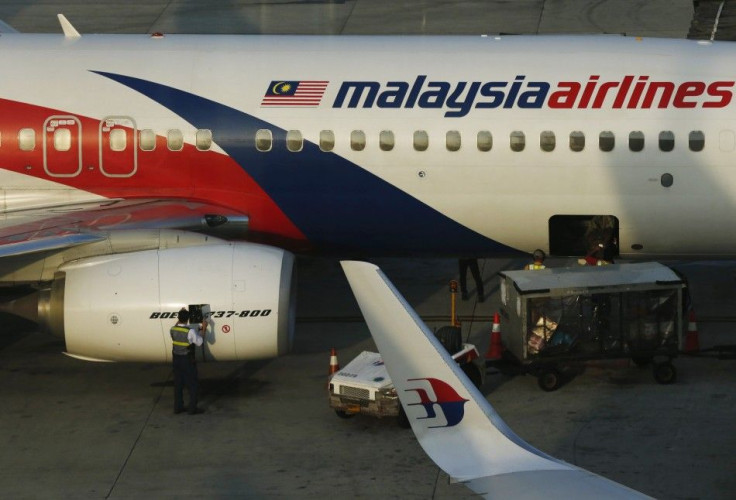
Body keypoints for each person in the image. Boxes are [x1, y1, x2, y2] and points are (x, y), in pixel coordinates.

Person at [171, 308, 207, 415]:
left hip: (176, 359)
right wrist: (203, 329)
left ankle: (178, 407)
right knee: (192, 384)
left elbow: (177, 326)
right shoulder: (190, 331)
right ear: (187, 319)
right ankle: (192, 409)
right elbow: (199, 343)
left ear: (178, 318)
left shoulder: (172, 329)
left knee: (178, 384)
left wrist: (181, 314)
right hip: (187, 360)